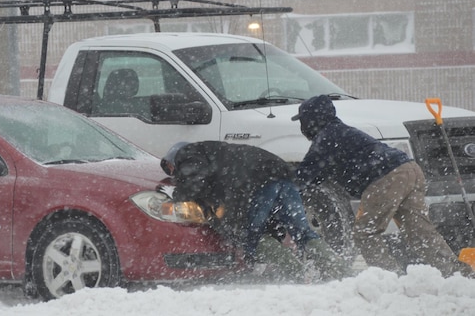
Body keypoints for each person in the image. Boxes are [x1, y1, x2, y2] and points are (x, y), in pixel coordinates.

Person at [292, 94, 474, 277]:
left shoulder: (326, 137)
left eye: (303, 121)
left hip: (387, 178)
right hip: (409, 170)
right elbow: (316, 173)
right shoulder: (338, 131)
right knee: (420, 234)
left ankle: (387, 277)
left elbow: (305, 174)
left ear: (312, 119)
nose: (303, 128)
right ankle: (455, 273)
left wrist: (283, 184)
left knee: (365, 234)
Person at [159, 140, 351, 282]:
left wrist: (177, 195)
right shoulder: (217, 153)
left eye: (171, 170)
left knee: (252, 238)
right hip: (281, 174)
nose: (174, 174)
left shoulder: (187, 152)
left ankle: (297, 278)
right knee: (302, 232)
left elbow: (195, 178)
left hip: (257, 181)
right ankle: (341, 273)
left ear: (171, 160)